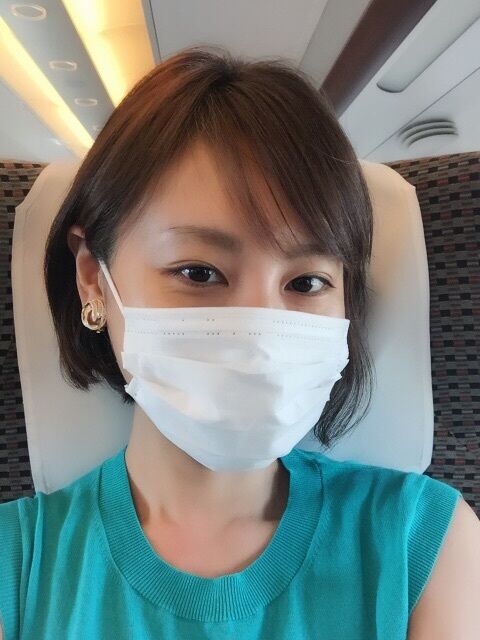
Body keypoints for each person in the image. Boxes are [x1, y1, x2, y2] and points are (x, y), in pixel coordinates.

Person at [1, 45, 479, 639]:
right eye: (199, 272)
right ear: (93, 280)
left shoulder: (425, 545)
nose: (259, 333)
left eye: (307, 282)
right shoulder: (17, 561)